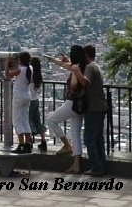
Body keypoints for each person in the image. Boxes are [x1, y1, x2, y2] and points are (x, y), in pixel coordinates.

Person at [45, 44, 87, 174]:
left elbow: (74, 85)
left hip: (71, 103)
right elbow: (64, 65)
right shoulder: (82, 67)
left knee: (51, 120)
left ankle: (66, 145)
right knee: (75, 134)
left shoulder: (76, 69)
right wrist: (52, 59)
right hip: (80, 106)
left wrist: (70, 67)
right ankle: (76, 165)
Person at [80, 44, 108, 176]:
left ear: (86, 55)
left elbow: (85, 82)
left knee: (89, 138)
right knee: (98, 138)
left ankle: (96, 166)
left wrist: (75, 71)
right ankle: (101, 165)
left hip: (93, 107)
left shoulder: (90, 67)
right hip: (100, 106)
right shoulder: (96, 66)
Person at [5, 51, 32, 153]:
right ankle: (28, 144)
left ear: (20, 60)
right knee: (25, 120)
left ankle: (21, 144)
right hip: (27, 95)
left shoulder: (20, 70)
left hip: (18, 96)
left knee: (17, 121)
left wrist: (8, 62)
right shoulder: (30, 69)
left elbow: (7, 75)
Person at [29, 56, 48, 151]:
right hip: (36, 99)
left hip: (29, 100)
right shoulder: (39, 76)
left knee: (28, 121)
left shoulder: (30, 75)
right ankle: (43, 141)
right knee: (37, 120)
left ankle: (29, 142)